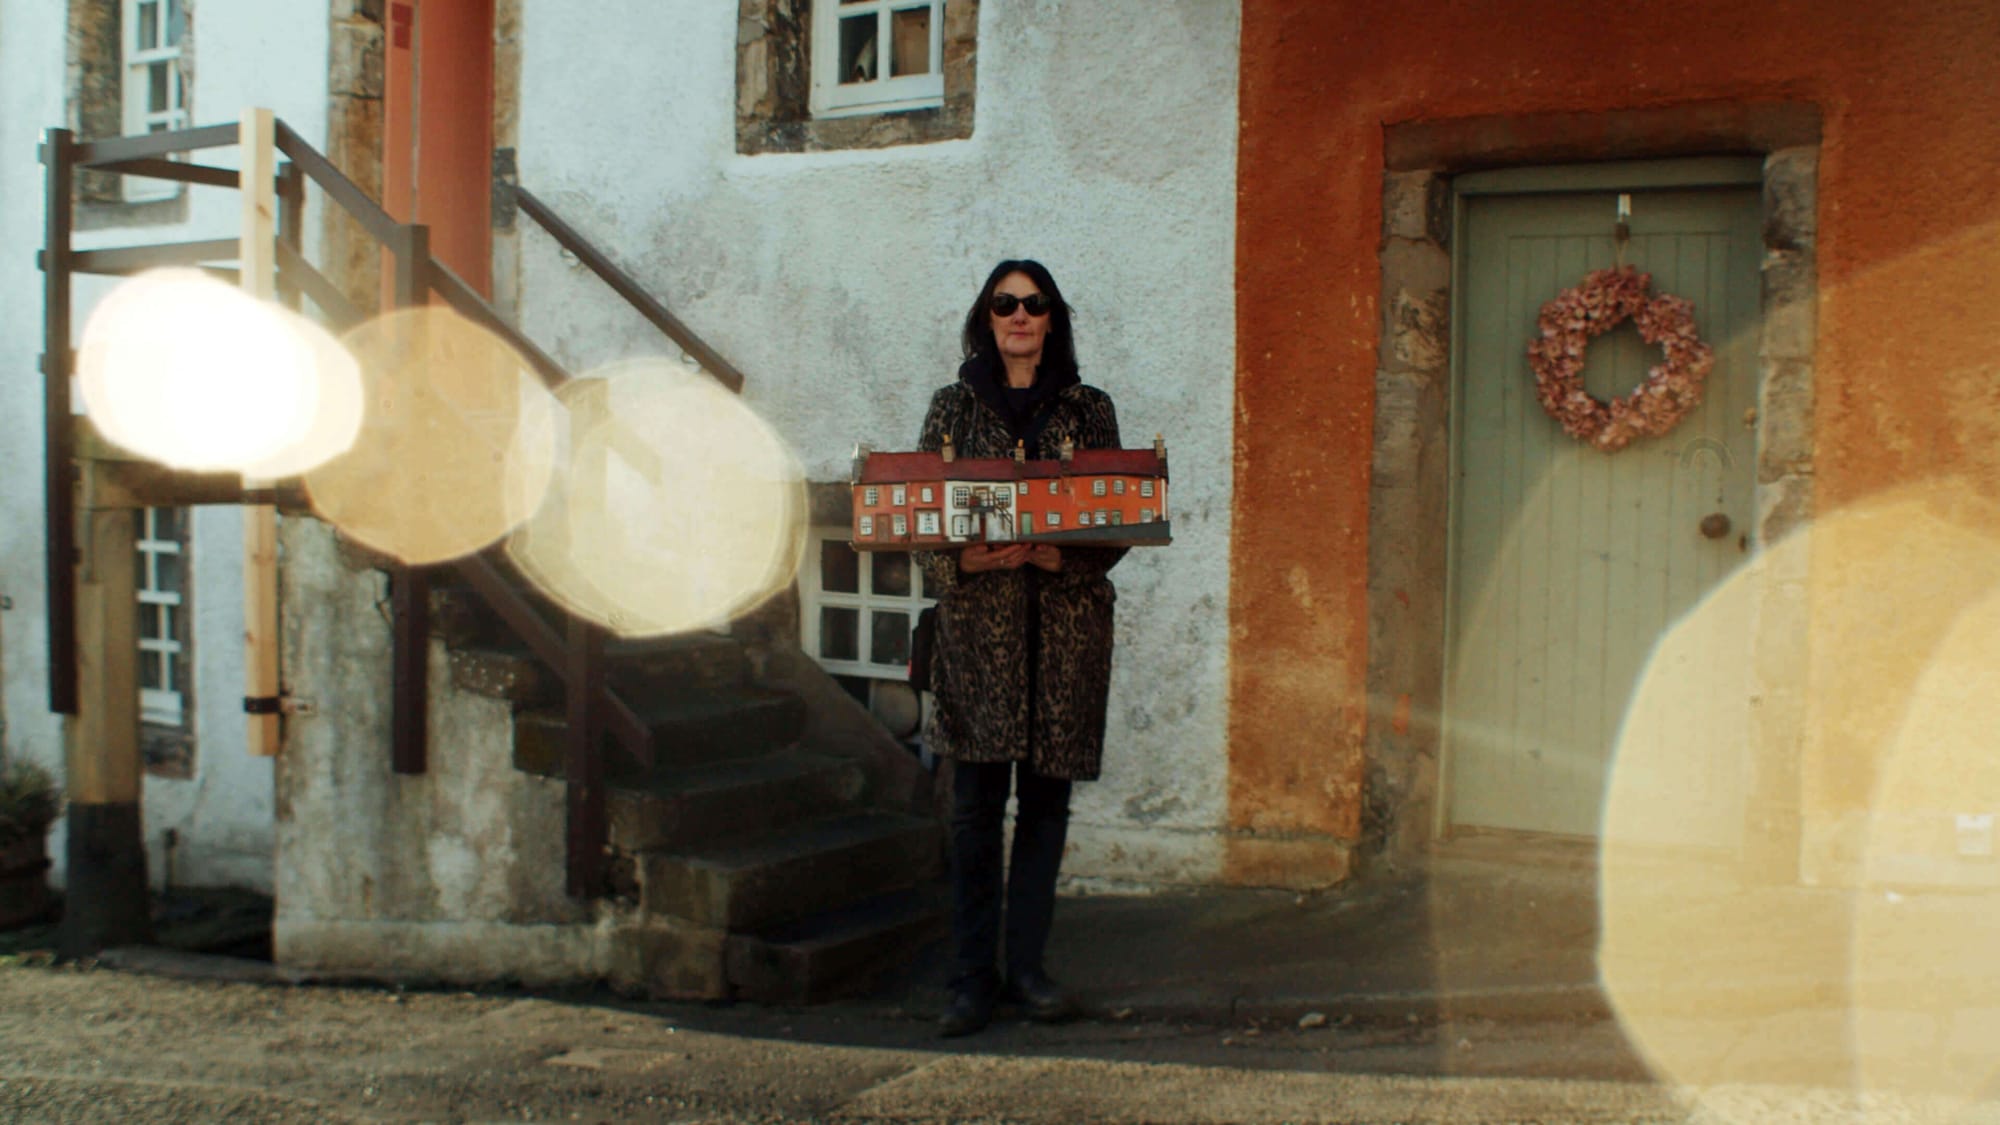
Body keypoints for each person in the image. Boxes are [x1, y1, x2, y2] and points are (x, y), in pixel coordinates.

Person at [912, 260, 1127, 1038]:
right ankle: (970, 979)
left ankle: (1027, 970)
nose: (1020, 315)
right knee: (974, 814)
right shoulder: (952, 406)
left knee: (1044, 809)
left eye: (1034, 304)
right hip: (980, 639)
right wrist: (959, 560)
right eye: (1005, 303)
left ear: (1051, 318)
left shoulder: (1088, 408)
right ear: (987, 315)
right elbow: (923, 516)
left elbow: (1119, 520)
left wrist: (1060, 557)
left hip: (1065, 640)